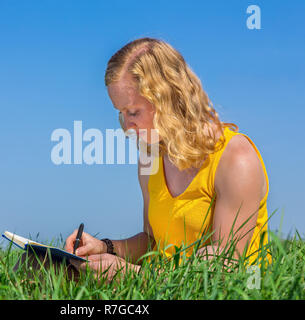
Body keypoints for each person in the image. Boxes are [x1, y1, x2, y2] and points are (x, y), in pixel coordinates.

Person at [65, 37, 271, 282]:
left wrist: (132, 276)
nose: (127, 126)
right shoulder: (150, 158)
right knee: (40, 266)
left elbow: (225, 266)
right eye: (120, 113)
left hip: (232, 291)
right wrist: (106, 247)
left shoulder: (236, 158)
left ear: (169, 98)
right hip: (159, 286)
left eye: (133, 112)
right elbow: (153, 241)